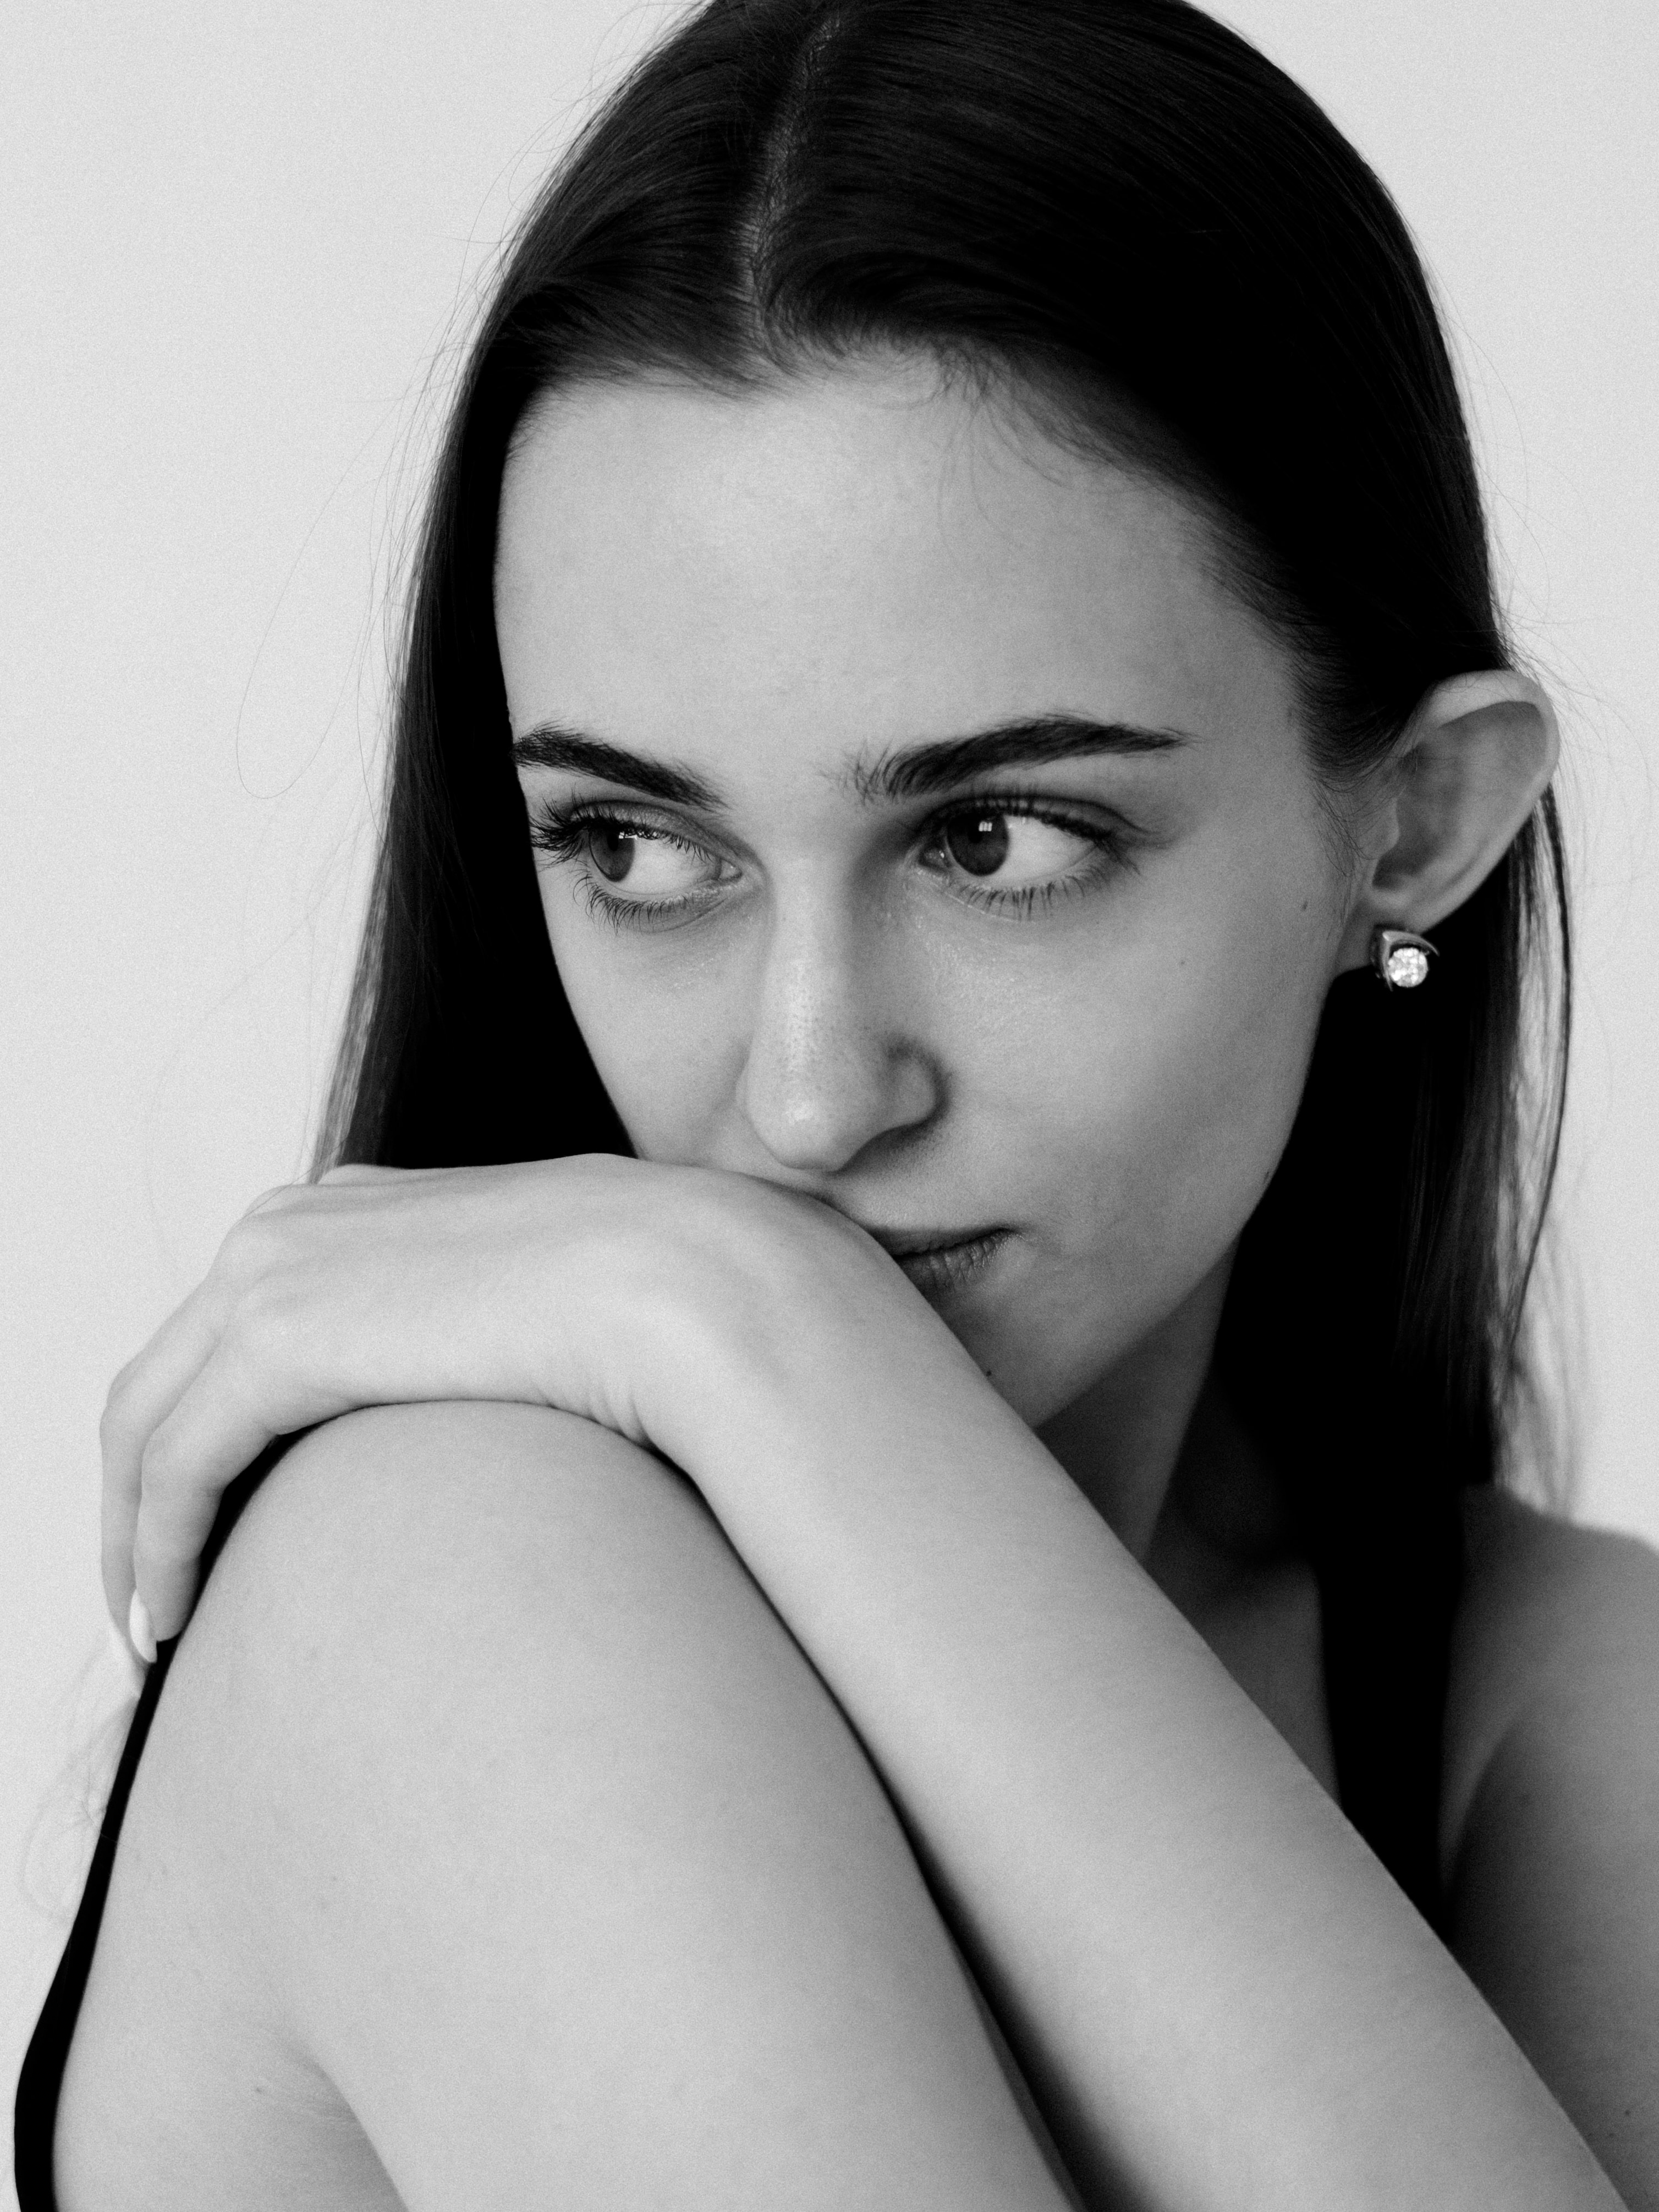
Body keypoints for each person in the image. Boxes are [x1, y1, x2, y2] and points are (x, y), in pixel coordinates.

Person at [16, 0, 1657, 2204]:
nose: (801, 1095)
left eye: (995, 843)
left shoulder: (1537, 1698)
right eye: (641, 850)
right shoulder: (452, 1583)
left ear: (1414, 817)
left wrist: (748, 1335)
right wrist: (749, 1331)